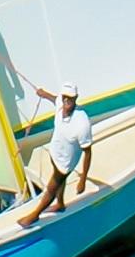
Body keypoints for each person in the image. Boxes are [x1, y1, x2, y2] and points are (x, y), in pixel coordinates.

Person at [18, 81, 92, 226]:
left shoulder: (82, 123)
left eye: (70, 98)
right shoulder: (61, 102)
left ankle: (34, 215)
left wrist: (83, 179)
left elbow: (88, 152)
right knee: (59, 183)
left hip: (66, 161)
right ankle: (60, 204)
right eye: (64, 97)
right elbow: (55, 99)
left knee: (52, 187)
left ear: (76, 98)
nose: (66, 100)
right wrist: (43, 94)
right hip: (55, 152)